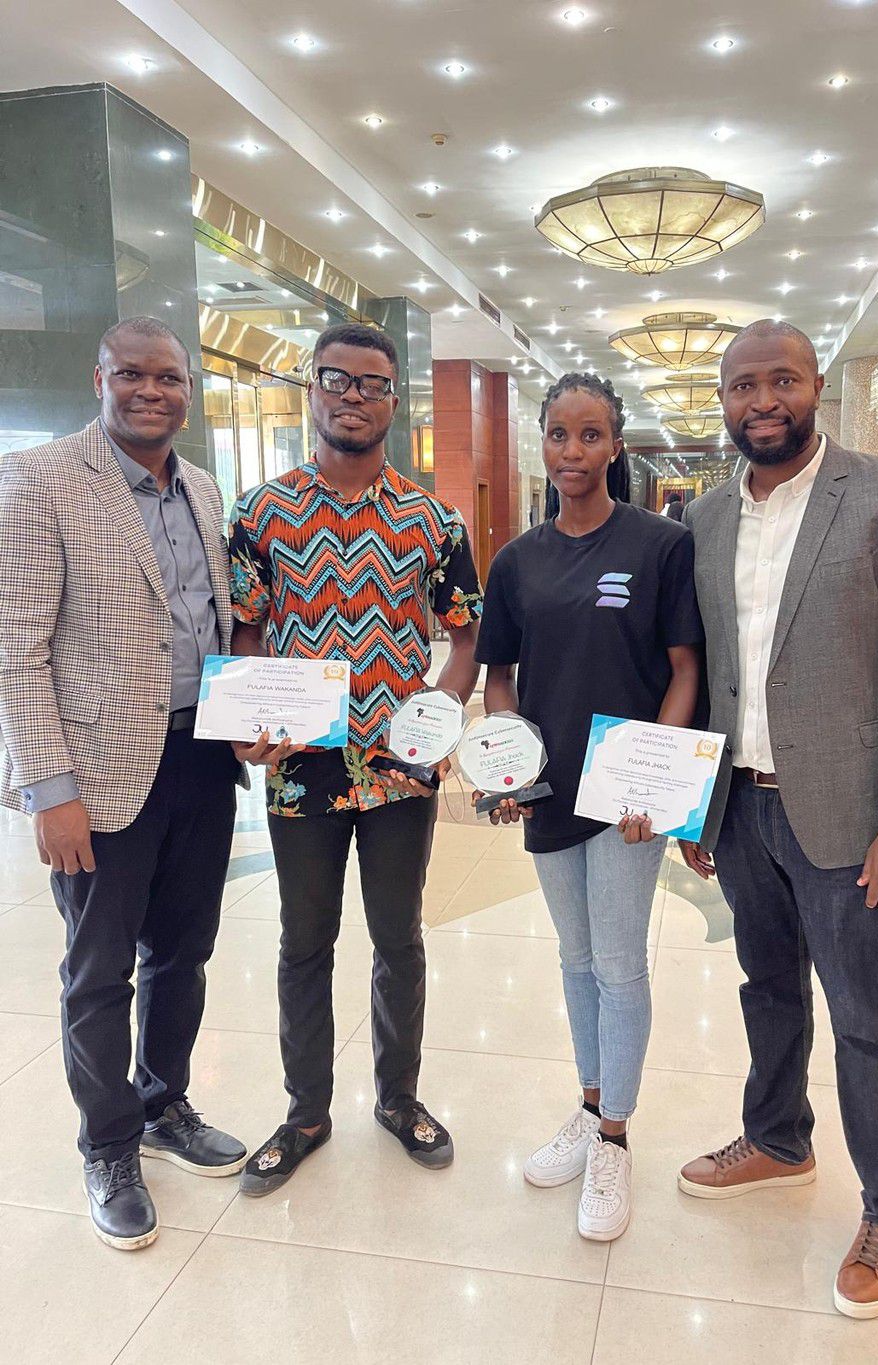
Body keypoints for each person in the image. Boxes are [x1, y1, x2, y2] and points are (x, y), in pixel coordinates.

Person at [677, 320, 878, 1319]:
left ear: (815, 383)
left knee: (865, 1013)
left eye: (782, 380)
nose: (763, 400)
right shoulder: (703, 517)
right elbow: (703, 667)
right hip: (740, 804)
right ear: (723, 399)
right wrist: (694, 802)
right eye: (742, 385)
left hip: (848, 813)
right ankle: (777, 1138)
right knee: (767, 988)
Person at [0, 318, 246, 1252]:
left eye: (168, 377)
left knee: (184, 950)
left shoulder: (202, 488)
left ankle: (162, 1102)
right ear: (98, 378)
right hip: (97, 774)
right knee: (99, 969)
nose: (152, 390)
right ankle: (107, 1146)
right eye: (133, 374)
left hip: (201, 758)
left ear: (188, 389)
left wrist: (247, 719)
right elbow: (15, 651)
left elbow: (214, 622)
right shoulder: (40, 479)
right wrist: (49, 788)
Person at [230, 322, 482, 1195]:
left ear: (393, 401)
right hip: (301, 768)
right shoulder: (260, 513)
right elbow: (245, 631)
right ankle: (305, 1112)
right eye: (336, 379)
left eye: (372, 383)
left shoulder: (431, 519)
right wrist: (248, 719)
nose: (353, 396)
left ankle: (399, 1098)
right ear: (312, 389)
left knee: (398, 939)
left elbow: (466, 634)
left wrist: (438, 722)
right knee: (304, 942)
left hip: (399, 772)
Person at [475, 373, 703, 1241]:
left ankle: (614, 1138)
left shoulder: (659, 545)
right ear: (542, 441)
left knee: (618, 964)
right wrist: (507, 763)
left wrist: (657, 779)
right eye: (559, 435)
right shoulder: (516, 560)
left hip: (625, 797)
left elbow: (684, 668)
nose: (573, 451)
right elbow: (499, 677)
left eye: (591, 434)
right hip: (550, 788)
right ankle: (589, 1100)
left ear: (615, 444)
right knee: (575, 959)